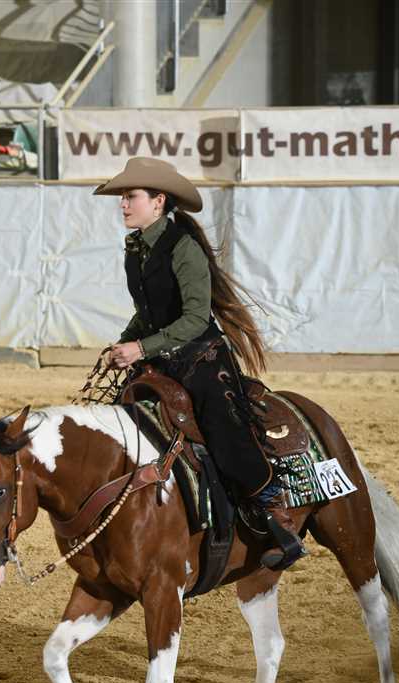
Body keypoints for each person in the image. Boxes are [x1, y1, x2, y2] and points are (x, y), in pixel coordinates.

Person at [93, 156, 306, 570]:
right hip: (163, 359)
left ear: (158, 201)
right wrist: (124, 344)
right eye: (122, 197)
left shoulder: (183, 248)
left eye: (131, 196)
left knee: (224, 430)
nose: (123, 204)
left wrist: (141, 348)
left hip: (202, 360)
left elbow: (194, 318)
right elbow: (149, 313)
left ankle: (275, 513)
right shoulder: (135, 249)